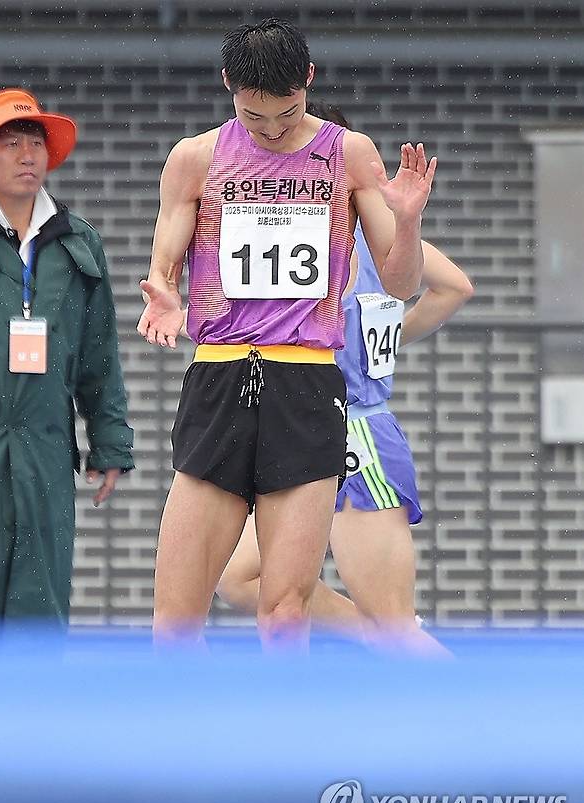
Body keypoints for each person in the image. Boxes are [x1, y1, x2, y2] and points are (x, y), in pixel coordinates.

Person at [137, 20, 437, 649]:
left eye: (287, 114)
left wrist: (408, 222)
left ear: (309, 81)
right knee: (175, 619)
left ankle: (287, 715)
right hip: (221, 377)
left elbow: (401, 283)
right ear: (228, 85)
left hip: (306, 383)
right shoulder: (196, 158)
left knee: (284, 611)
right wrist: (163, 289)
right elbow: (164, 259)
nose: (272, 131)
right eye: (254, 117)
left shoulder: (348, 153)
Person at [216, 103, 473, 655]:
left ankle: (456, 692)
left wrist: (389, 336)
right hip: (300, 427)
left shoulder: (366, 238)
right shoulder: (297, 231)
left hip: (358, 434)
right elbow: (453, 287)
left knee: (395, 626)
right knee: (241, 580)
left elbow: (455, 286)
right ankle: (374, 643)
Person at [0, 88, 134, 624]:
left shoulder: (77, 242)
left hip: (45, 445)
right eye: (11, 142)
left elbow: (99, 354)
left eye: (36, 143)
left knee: (40, 597)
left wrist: (110, 442)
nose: (27, 155)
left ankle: (32, 685)